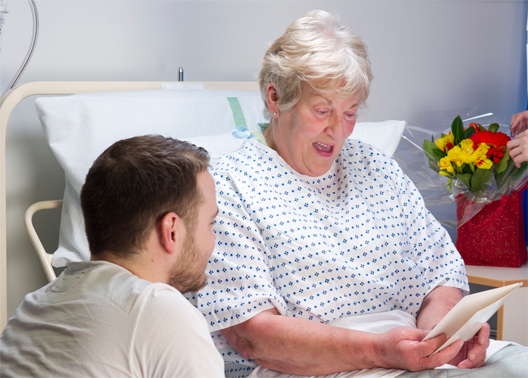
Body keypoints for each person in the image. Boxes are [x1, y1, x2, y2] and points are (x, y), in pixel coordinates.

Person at [189, 10, 528, 378]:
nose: (338, 131)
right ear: (275, 98)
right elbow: (251, 333)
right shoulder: (229, 187)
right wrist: (381, 350)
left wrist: (443, 335)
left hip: (406, 351)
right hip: (313, 366)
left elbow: (439, 272)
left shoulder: (375, 167)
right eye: (322, 110)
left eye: (349, 112)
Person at [0, 135, 224, 377]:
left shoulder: (31, 309)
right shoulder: (161, 312)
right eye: (211, 223)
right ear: (171, 231)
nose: (214, 240)